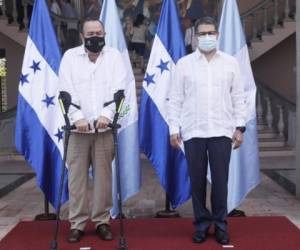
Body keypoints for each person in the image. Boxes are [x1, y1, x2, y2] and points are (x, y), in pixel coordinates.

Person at [168, 17, 246, 245]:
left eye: (211, 33)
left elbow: (239, 98)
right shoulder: (184, 64)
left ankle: (221, 224)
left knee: (220, 182)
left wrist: (240, 127)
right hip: (193, 132)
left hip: (222, 131)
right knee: (198, 182)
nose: (207, 37)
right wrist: (174, 128)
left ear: (217, 35)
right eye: (202, 33)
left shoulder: (230, 63)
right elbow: (175, 99)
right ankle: (201, 224)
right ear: (195, 36)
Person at [59, 17, 127, 243]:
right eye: (90, 34)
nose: (95, 37)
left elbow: (120, 92)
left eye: (99, 33)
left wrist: (106, 116)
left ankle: (102, 222)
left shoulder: (115, 57)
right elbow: (64, 94)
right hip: (77, 132)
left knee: (103, 180)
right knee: (76, 180)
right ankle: (77, 224)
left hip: (104, 131)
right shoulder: (70, 58)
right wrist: (77, 118)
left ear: (105, 34)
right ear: (82, 36)